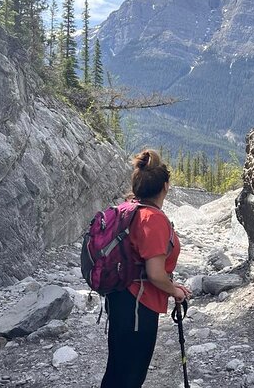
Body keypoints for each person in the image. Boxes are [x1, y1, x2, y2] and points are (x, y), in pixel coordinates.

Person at [100, 149, 192, 388]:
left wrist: (171, 286)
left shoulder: (127, 210)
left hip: (119, 297)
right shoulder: (153, 218)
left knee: (117, 370)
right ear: (165, 186)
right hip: (139, 305)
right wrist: (175, 292)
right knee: (131, 375)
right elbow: (154, 273)